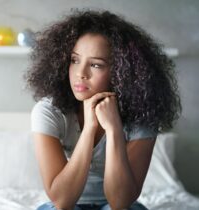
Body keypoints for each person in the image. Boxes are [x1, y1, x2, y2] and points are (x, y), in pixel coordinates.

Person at [25, 9, 181, 210]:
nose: (80, 73)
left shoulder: (143, 115)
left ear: (120, 72)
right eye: (74, 60)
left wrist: (114, 129)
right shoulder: (48, 111)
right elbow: (62, 201)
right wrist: (90, 128)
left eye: (96, 65)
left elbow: (120, 202)